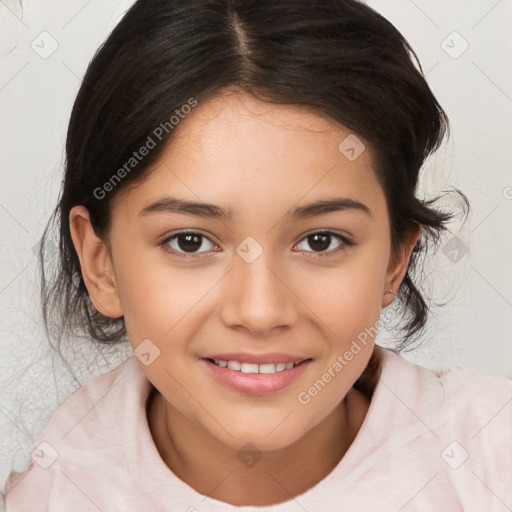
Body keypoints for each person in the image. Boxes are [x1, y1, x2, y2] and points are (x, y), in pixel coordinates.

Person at [2, 0, 511, 510]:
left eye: (320, 240)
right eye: (190, 241)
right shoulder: (52, 495)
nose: (260, 311)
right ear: (101, 263)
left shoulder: (491, 458)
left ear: (395, 259)